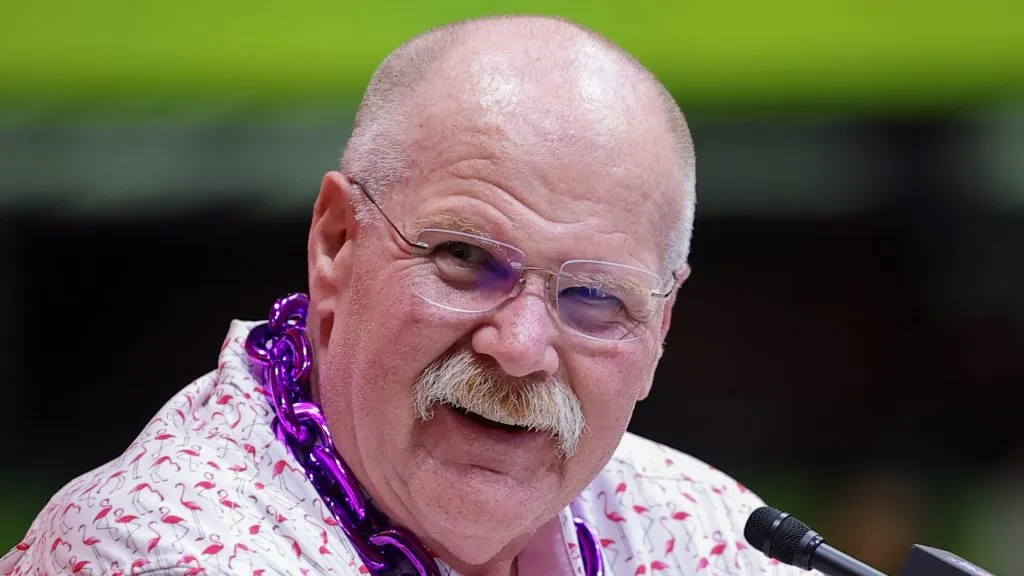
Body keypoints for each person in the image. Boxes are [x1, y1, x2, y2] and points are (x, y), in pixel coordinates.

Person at [2, 15, 813, 576]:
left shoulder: (708, 528)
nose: (523, 347)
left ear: (662, 325)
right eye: (464, 257)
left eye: (596, 295)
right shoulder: (162, 546)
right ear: (336, 244)